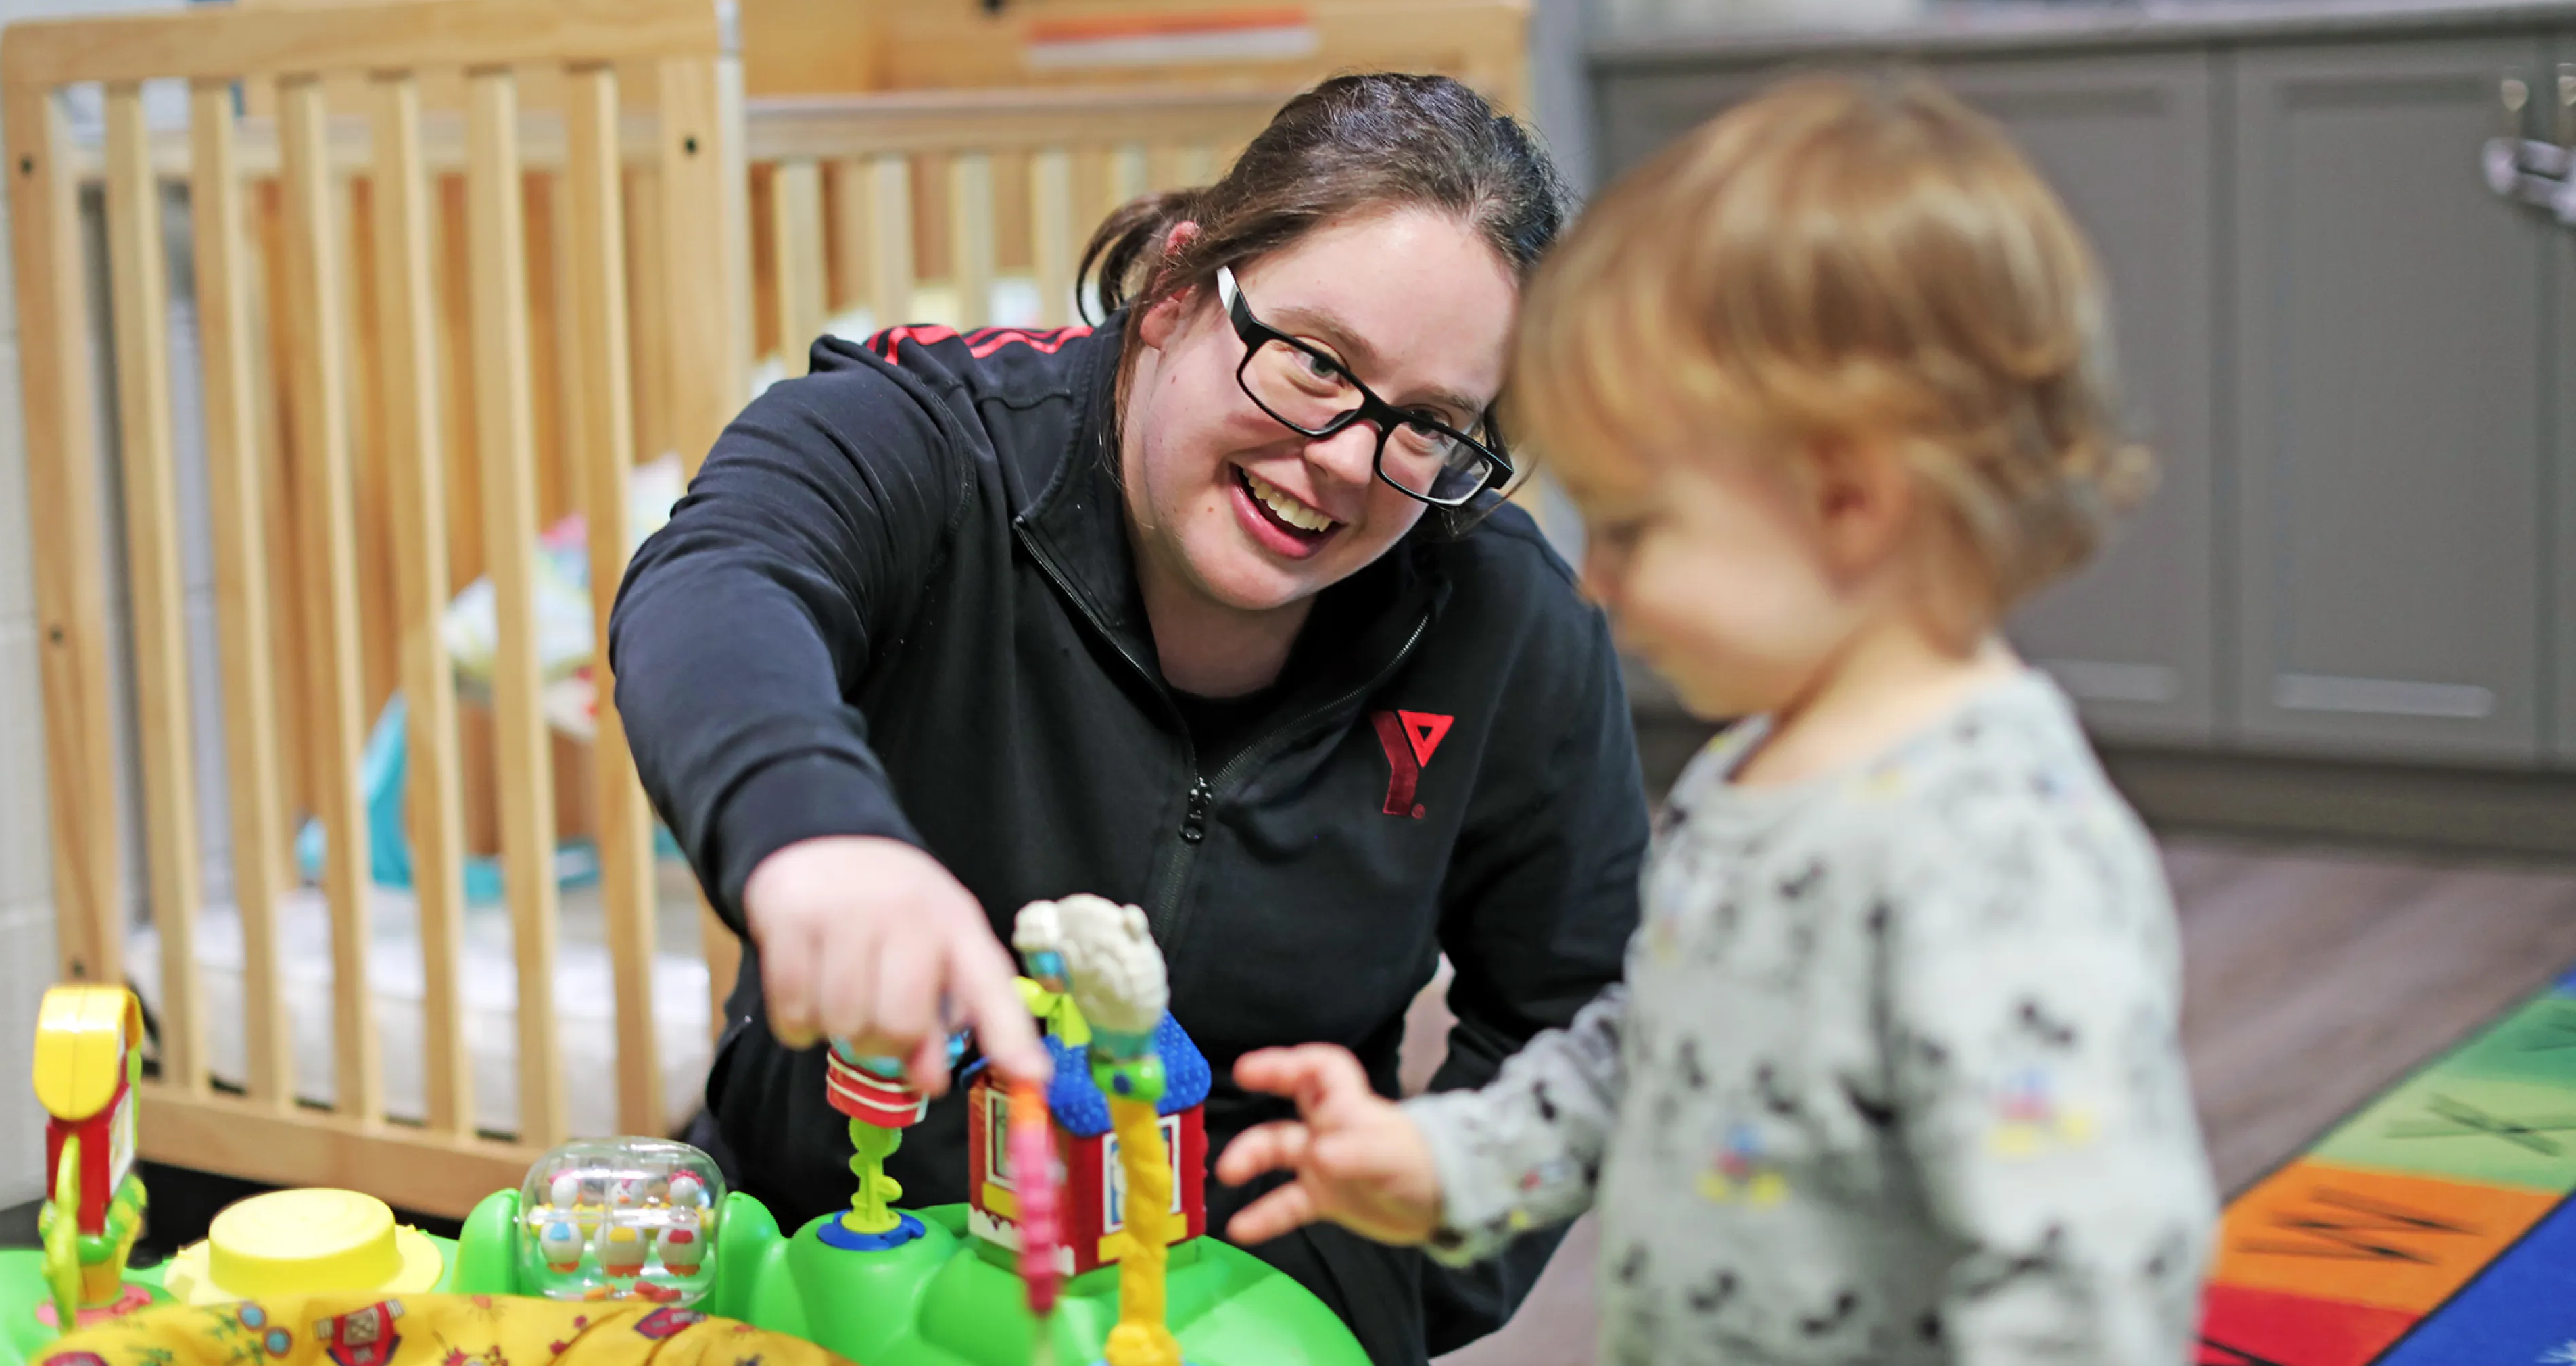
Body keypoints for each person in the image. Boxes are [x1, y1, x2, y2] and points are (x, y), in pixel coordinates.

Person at [609, 72, 1650, 1364]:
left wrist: (1356, 1287)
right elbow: (723, 578)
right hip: (835, 1288)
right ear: (1175, 290)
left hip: (1237, 1323)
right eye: (1316, 361)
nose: (1341, 455)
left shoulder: (1503, 622)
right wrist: (814, 831)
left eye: (1428, 423)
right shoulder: (935, 441)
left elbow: (1571, 1011)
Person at [1216, 76, 2220, 1363]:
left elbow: (2087, 1268)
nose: (1599, 579)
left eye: (1637, 526)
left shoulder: (1993, 846)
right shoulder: (1758, 775)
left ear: (1849, 502)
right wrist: (1447, 1159)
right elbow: (1647, 1055)